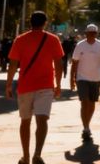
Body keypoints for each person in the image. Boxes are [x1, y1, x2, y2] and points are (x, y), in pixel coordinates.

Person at [6, 11, 65, 164]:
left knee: (25, 121)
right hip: (46, 85)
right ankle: (37, 154)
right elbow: (59, 64)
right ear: (45, 23)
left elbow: (13, 64)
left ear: (30, 22)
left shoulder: (20, 40)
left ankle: (25, 157)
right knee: (42, 120)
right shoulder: (53, 39)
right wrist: (58, 84)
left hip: (25, 85)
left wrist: (8, 85)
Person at [70, 24, 100, 143]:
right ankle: (86, 128)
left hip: (95, 79)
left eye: (94, 33)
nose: (92, 35)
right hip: (82, 78)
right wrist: (72, 79)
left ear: (96, 34)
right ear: (86, 33)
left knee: (92, 104)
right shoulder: (80, 45)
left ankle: (87, 124)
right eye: (90, 33)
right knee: (85, 102)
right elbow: (74, 63)